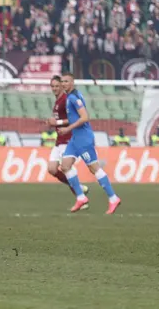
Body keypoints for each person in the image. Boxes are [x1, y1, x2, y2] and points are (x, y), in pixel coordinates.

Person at [57, 73, 121, 214]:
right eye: (62, 81)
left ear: (72, 82)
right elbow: (74, 118)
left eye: (66, 81)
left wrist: (67, 128)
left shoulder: (73, 97)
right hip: (75, 138)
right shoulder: (70, 97)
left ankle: (113, 198)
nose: (63, 84)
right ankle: (81, 197)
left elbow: (85, 117)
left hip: (84, 139)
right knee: (65, 166)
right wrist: (60, 123)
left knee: (94, 169)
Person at [46, 76, 89, 204]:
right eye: (52, 86)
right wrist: (52, 122)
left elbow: (76, 119)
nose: (54, 88)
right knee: (52, 169)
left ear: (62, 86)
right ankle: (79, 188)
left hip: (68, 139)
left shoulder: (66, 100)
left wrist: (57, 122)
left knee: (67, 168)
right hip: (59, 140)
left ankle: (80, 197)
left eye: (57, 86)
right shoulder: (57, 102)